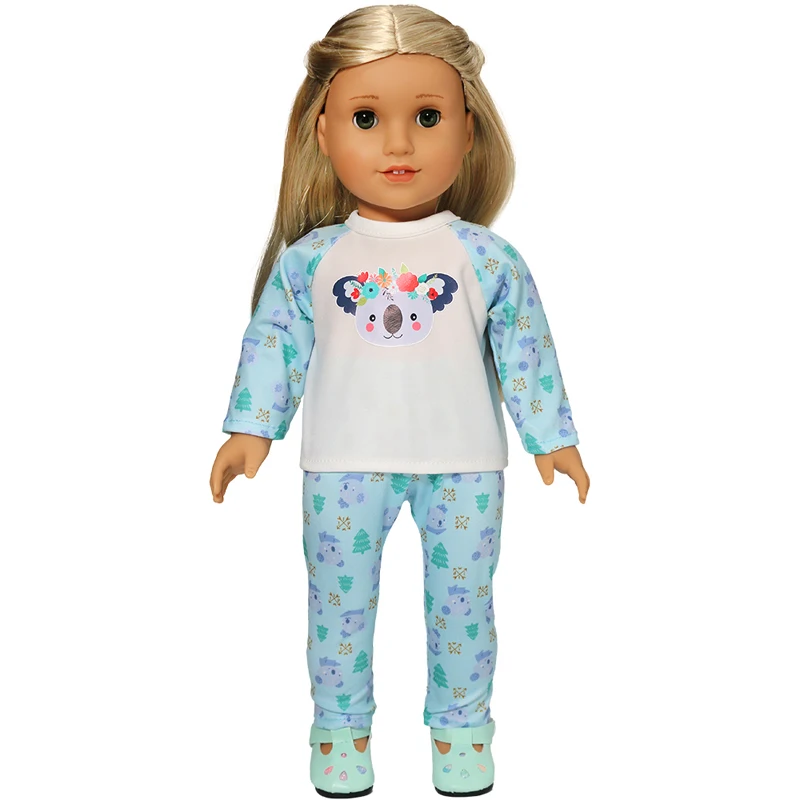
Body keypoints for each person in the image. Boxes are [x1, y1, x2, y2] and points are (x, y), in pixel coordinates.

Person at [209, 5, 590, 797]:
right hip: (343, 465)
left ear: (469, 131)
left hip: (465, 465)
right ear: (322, 133)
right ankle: (340, 732)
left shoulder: (487, 258)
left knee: (464, 608)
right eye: (365, 118)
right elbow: (275, 344)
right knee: (337, 607)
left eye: (426, 117)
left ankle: (462, 732)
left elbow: (526, 349)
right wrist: (252, 430)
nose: (398, 145)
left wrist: (550, 436)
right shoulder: (312, 260)